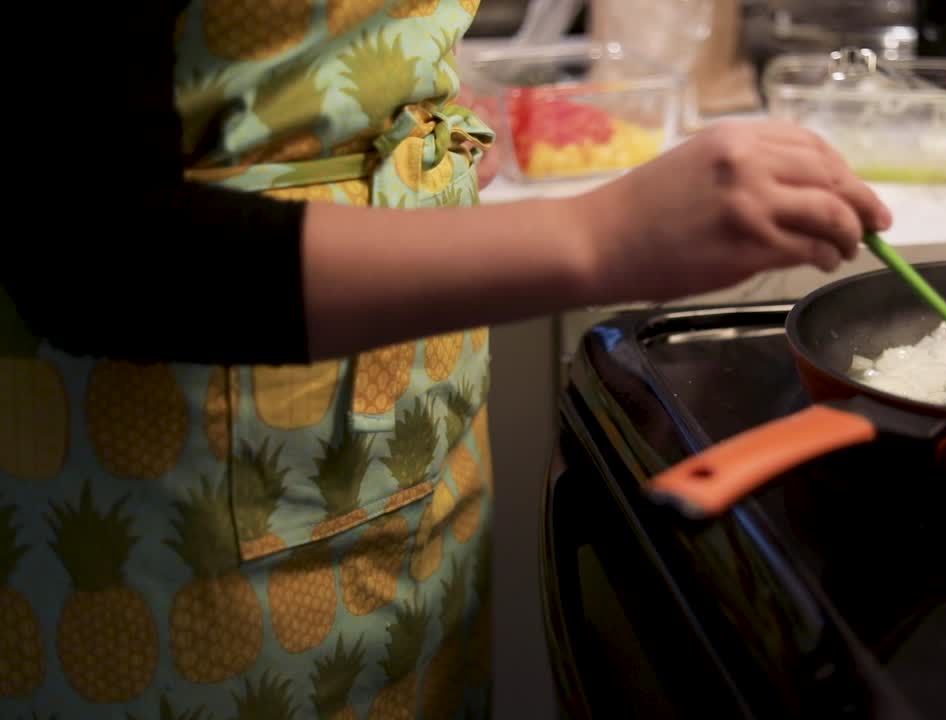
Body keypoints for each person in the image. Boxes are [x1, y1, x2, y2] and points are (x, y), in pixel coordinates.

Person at [0, 1, 891, 718]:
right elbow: (86, 248)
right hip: (180, 521)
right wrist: (602, 235)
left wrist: (411, 99)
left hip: (409, 462)